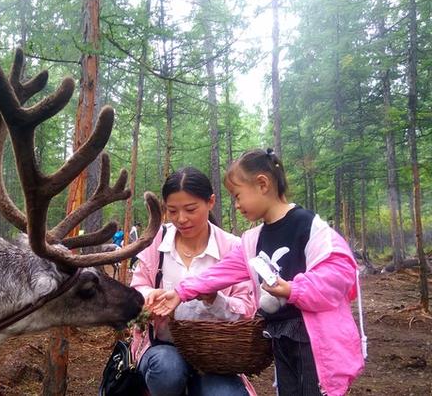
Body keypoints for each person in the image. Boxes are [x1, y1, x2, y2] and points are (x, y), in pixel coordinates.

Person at [151, 149, 365, 396]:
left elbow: (340, 274)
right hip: (281, 338)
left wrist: (294, 290)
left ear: (262, 184)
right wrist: (180, 292)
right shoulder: (253, 240)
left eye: (238, 195)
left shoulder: (310, 227)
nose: (237, 204)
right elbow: (221, 272)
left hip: (317, 342)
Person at [130, 167, 257, 396]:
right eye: (172, 211)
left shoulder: (233, 248)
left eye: (190, 209)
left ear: (210, 202)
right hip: (162, 345)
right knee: (166, 370)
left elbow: (248, 309)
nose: (181, 219)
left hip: (216, 354)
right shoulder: (156, 241)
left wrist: (215, 301)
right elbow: (137, 287)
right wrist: (148, 295)